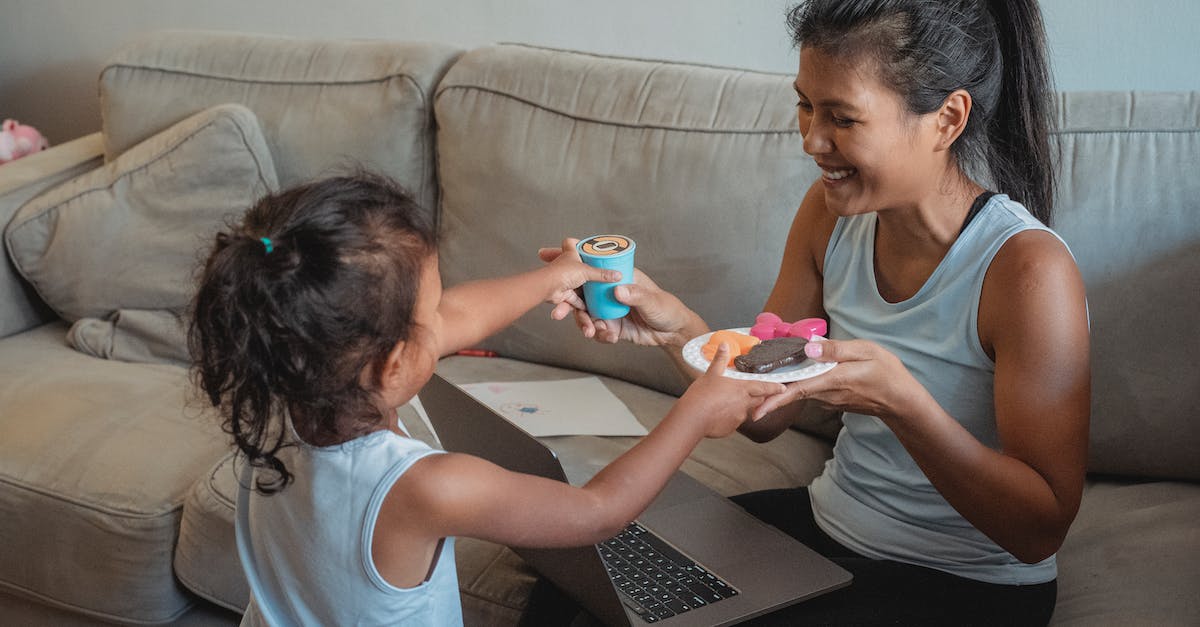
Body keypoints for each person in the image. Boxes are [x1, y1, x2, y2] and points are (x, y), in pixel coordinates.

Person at [545, 1, 1090, 624]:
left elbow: (1038, 530)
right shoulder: (829, 216)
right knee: (582, 576)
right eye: (806, 104)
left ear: (947, 119)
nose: (811, 141)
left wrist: (901, 401)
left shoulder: (1025, 270)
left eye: (843, 118)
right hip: (829, 529)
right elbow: (766, 415)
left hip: (967, 584)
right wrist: (680, 331)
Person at [188, 171, 786, 626]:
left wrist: (561, 275)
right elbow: (596, 513)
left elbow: (460, 316)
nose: (447, 316)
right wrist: (696, 411)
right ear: (394, 363)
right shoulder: (426, 488)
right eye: (432, 311)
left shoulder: (276, 395)